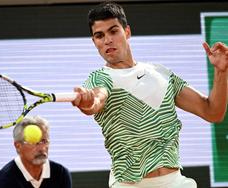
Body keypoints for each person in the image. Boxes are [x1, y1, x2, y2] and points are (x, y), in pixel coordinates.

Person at [72, 1, 228, 188]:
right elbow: (96, 99)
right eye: (99, 36)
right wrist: (88, 101)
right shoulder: (99, 78)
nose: (107, 40)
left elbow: (212, 112)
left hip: (175, 182)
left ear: (127, 32)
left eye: (113, 31)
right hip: (129, 184)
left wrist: (222, 72)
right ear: (94, 42)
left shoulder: (161, 73)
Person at [0, 116, 72, 188]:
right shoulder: (6, 180)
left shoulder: (61, 174)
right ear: (18, 146)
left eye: (44, 141)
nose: (42, 148)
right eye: (34, 142)